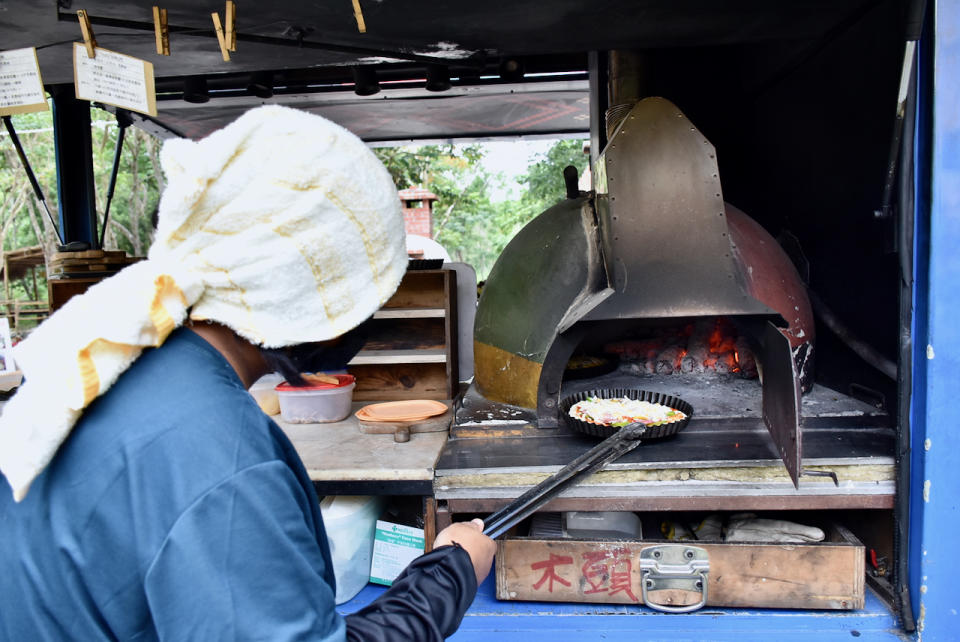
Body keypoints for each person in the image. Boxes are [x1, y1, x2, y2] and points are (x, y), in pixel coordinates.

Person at [0, 105, 496, 641]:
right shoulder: (223, 454)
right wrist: (449, 570)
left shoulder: (105, 364)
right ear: (316, 294)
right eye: (365, 298)